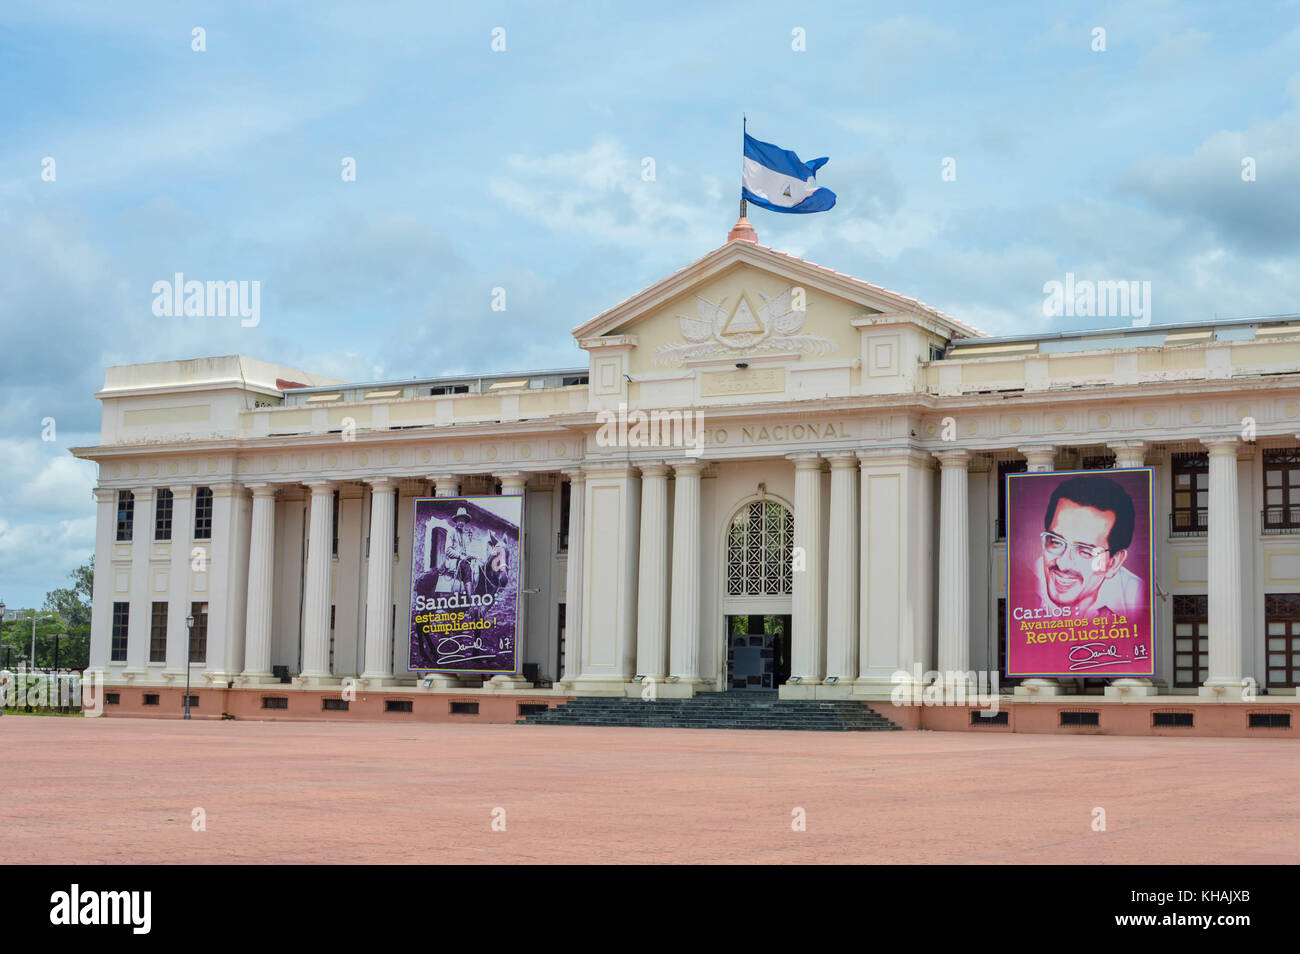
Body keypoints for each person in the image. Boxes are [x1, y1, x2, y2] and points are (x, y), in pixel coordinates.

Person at [1032, 474, 1144, 618]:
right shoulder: (1027, 582)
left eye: (1085, 551)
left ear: (1113, 562)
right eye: (1056, 542)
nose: (1063, 563)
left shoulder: (1138, 597)